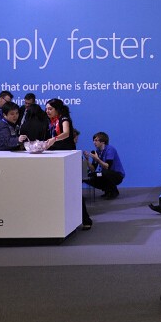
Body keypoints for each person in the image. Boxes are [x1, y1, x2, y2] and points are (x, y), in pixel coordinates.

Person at [44, 98, 92, 229]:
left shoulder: (64, 119)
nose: (47, 111)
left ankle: (86, 219)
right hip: (57, 158)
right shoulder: (51, 122)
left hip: (68, 159)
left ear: (57, 109)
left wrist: (54, 139)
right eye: (46, 109)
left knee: (73, 189)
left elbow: (66, 133)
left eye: (50, 109)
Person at [83, 132, 125, 199]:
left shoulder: (110, 149)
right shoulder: (97, 151)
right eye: (93, 140)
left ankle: (113, 191)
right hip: (106, 173)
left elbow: (107, 166)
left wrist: (97, 159)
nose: (94, 142)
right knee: (91, 175)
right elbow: (93, 169)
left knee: (104, 173)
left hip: (117, 175)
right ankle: (107, 190)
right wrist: (87, 160)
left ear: (103, 142)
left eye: (96, 140)